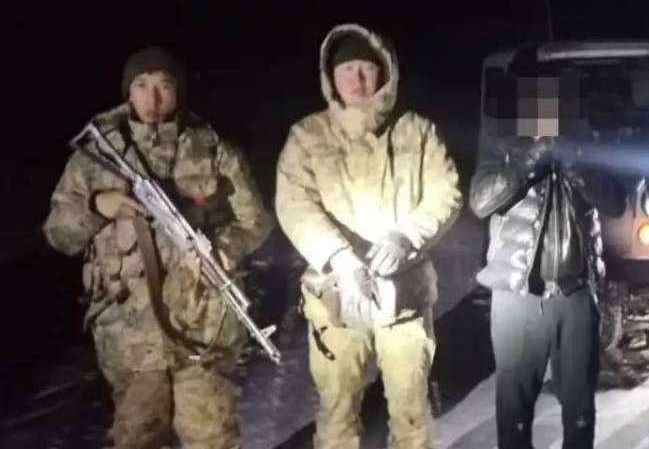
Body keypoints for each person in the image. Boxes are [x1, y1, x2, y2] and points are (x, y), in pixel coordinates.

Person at [43, 45, 274, 449]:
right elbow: (59, 233)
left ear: (179, 92)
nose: (153, 99)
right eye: (142, 85)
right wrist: (99, 206)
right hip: (130, 339)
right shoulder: (94, 156)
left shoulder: (213, 149)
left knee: (212, 438)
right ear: (127, 92)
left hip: (202, 328)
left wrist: (221, 248)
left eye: (164, 86)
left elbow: (256, 221)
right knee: (139, 439)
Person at [275, 23, 461, 448]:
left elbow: (445, 190)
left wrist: (405, 237)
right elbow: (294, 202)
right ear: (330, 77)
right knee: (338, 410)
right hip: (337, 295)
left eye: (366, 68)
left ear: (385, 72)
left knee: (412, 412)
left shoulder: (417, 131)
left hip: (405, 293)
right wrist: (338, 255)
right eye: (347, 70)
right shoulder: (307, 137)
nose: (358, 81)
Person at [468, 121, 626, 449]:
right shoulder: (500, 137)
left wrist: (573, 160)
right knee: (515, 413)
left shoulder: (586, 137)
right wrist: (533, 157)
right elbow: (481, 202)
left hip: (577, 293)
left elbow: (615, 202)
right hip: (517, 296)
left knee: (581, 412)